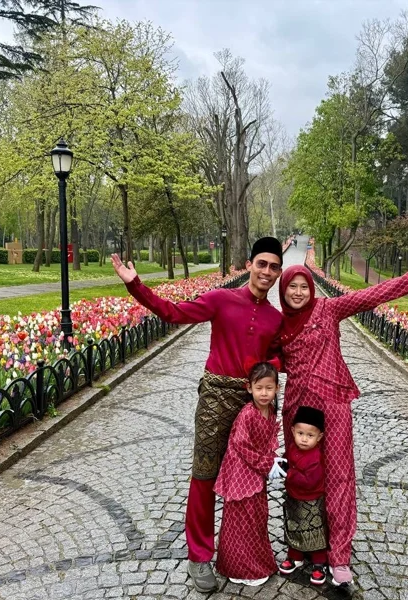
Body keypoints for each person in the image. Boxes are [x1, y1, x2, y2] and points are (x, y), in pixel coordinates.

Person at [110, 236, 284, 593]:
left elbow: (280, 356)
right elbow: (174, 313)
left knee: (250, 482)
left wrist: (268, 370)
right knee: (204, 477)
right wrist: (135, 285)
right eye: (262, 264)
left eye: (274, 267)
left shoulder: (274, 318)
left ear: (279, 272)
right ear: (249, 265)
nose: (267, 271)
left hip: (252, 406)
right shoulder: (222, 299)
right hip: (215, 401)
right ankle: (199, 555)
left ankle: (241, 550)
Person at [274, 259, 408, 588]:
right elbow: (262, 353)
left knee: (338, 478)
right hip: (297, 410)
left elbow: (368, 297)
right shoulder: (280, 324)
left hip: (333, 404)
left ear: (311, 289)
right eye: (291, 287)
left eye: (303, 286)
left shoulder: (328, 309)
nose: (297, 292)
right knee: (301, 476)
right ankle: (304, 543)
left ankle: (338, 555)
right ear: (283, 291)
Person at [214, 361, 281, 586]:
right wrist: (266, 464)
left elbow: (268, 441)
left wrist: (273, 460)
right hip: (240, 472)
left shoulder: (271, 411)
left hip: (256, 472)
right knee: (241, 521)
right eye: (259, 388)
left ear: (277, 388)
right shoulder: (247, 414)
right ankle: (237, 567)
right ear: (249, 388)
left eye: (269, 388)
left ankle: (255, 563)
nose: (264, 393)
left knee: (257, 518)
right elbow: (242, 445)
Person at [278, 405, 327, 586]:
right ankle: (295, 555)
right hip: (294, 497)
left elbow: (309, 481)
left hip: (312, 501)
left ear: (319, 437)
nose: (304, 439)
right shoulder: (292, 448)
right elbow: (286, 461)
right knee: (294, 526)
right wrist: (280, 465)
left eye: (310, 435)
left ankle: (319, 562)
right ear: (293, 431)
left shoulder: (316, 456)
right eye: (300, 433)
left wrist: (289, 473)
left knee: (315, 530)